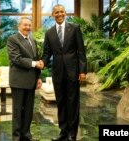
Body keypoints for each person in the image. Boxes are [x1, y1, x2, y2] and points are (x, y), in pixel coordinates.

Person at [40, 4, 87, 141]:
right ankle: (63, 132)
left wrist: (82, 70)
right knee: (61, 102)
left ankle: (73, 133)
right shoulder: (49, 33)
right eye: (56, 12)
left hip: (73, 71)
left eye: (61, 12)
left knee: (72, 102)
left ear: (65, 13)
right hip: (58, 72)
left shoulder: (74, 29)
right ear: (53, 15)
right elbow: (47, 53)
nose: (59, 14)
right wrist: (42, 62)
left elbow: (80, 51)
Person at [6, 16, 43, 141]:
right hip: (19, 81)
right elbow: (16, 59)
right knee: (17, 111)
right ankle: (16, 137)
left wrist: (38, 77)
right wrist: (34, 64)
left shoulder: (32, 40)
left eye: (29, 25)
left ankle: (26, 135)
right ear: (19, 26)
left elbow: (36, 58)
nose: (27, 27)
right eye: (25, 25)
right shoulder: (12, 39)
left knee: (28, 111)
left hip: (31, 81)